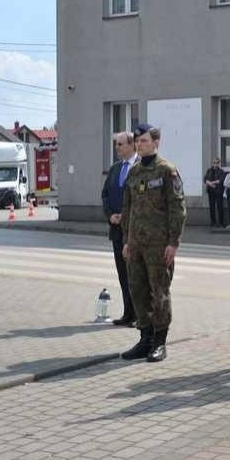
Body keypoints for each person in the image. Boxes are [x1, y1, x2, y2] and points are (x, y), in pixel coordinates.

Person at [121, 123, 186, 362]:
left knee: (159, 293)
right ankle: (145, 338)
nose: (140, 144)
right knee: (138, 291)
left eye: (144, 141)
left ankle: (160, 341)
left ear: (156, 143)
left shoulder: (167, 171)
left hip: (159, 246)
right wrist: (127, 240)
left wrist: (173, 243)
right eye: (137, 141)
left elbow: (177, 209)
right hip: (136, 244)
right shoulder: (134, 172)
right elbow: (128, 209)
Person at [101, 131, 139, 326]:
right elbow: (105, 195)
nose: (117, 148)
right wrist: (110, 216)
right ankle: (128, 313)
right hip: (117, 230)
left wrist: (127, 215)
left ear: (132, 145)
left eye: (121, 144)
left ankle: (140, 315)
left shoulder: (141, 167)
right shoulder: (115, 168)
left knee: (136, 275)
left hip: (135, 230)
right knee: (123, 274)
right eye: (116, 144)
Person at [204, 159, 226, 228]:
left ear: (219, 163)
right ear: (212, 163)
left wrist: (211, 183)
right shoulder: (209, 170)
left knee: (220, 207)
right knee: (212, 207)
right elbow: (205, 180)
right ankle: (213, 222)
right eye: (214, 162)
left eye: (217, 163)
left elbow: (220, 181)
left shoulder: (221, 171)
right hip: (211, 192)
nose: (215, 164)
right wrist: (211, 184)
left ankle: (221, 223)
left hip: (218, 191)